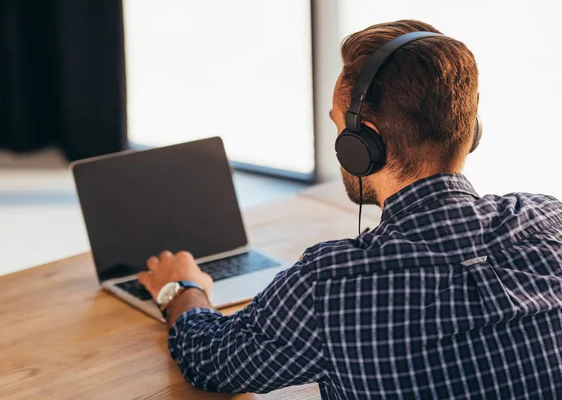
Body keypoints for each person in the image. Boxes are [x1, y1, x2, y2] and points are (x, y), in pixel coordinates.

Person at [137, 19, 562, 399]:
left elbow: (212, 361)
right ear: (470, 131)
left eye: (340, 126)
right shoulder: (549, 222)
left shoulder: (331, 283)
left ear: (364, 146)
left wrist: (182, 290)